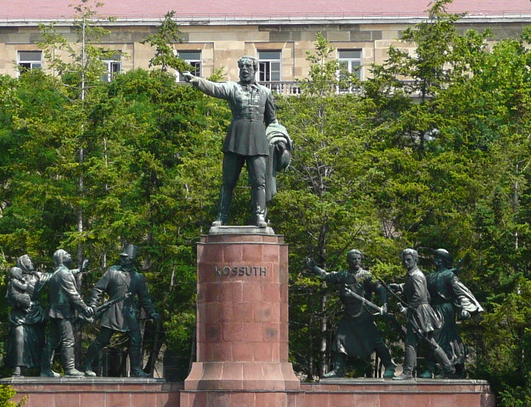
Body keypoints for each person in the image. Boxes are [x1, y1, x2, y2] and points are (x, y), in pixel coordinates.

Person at [180, 56, 285, 228]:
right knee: (228, 182)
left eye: (248, 66)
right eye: (242, 66)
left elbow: (272, 120)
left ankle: (259, 216)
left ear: (254, 69)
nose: (244, 69)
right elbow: (214, 87)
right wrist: (196, 80)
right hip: (236, 139)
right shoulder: (232, 88)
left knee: (259, 182)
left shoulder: (266, 93)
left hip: (258, 140)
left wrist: (280, 136)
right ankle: (222, 217)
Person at [305, 250, 395, 378]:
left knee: (375, 340)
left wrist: (385, 305)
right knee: (340, 340)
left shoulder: (366, 275)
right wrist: (314, 268)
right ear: (348, 260)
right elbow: (326, 275)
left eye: (358, 259)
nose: (356, 261)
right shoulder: (343, 275)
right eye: (353, 259)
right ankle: (338, 369)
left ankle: (389, 365)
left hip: (364, 314)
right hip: (349, 314)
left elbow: (381, 289)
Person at [83, 245, 158, 378]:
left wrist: (151, 312)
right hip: (113, 310)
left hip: (129, 313)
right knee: (102, 340)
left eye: (126, 258)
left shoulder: (138, 277)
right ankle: (86, 364)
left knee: (136, 339)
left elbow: (144, 298)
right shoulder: (112, 272)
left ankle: (135, 369)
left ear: (132, 259)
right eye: (122, 257)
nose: (122, 260)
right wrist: (93, 304)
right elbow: (98, 289)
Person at [386, 249, 456, 379]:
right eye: (404, 260)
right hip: (421, 311)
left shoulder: (416, 275)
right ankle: (448, 367)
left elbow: (419, 295)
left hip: (418, 312)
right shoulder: (415, 275)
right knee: (428, 342)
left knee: (413, 343)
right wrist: (401, 287)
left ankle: (408, 372)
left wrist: (407, 309)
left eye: (409, 260)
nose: (406, 262)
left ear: (415, 260)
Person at [426, 249, 483, 377]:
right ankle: (434, 367)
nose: (436, 260)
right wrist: (402, 287)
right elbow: (419, 285)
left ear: (444, 261)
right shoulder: (430, 276)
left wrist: (466, 308)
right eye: (435, 257)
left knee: (439, 337)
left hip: (444, 309)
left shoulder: (449, 276)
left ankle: (446, 367)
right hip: (431, 309)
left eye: (439, 258)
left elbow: (460, 292)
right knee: (430, 336)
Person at [44, 249, 92, 377]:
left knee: (52, 342)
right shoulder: (63, 274)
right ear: (60, 258)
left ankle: (45, 369)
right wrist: (84, 308)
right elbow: (72, 294)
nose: (69, 254)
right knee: (68, 340)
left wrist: (79, 270)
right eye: (66, 254)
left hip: (54, 311)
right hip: (63, 312)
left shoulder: (57, 273)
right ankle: (70, 369)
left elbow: (68, 273)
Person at [7, 255, 48, 377]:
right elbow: (10, 298)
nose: (31, 262)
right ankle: (17, 368)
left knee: (39, 341)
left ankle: (43, 368)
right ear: (22, 264)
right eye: (28, 261)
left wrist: (76, 271)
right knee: (19, 338)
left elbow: (57, 275)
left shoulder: (38, 276)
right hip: (20, 314)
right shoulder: (14, 280)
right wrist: (19, 300)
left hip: (35, 314)